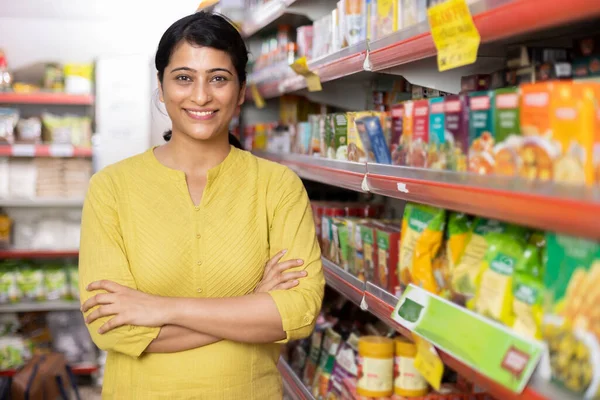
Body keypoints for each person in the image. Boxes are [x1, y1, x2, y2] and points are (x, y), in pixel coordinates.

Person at [78, 11, 324, 399]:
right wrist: (253, 305)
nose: (200, 95)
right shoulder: (111, 188)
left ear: (241, 90)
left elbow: (298, 313)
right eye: (183, 78)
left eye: (219, 78)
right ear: (160, 87)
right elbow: (112, 327)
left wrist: (161, 309)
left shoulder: (277, 187)